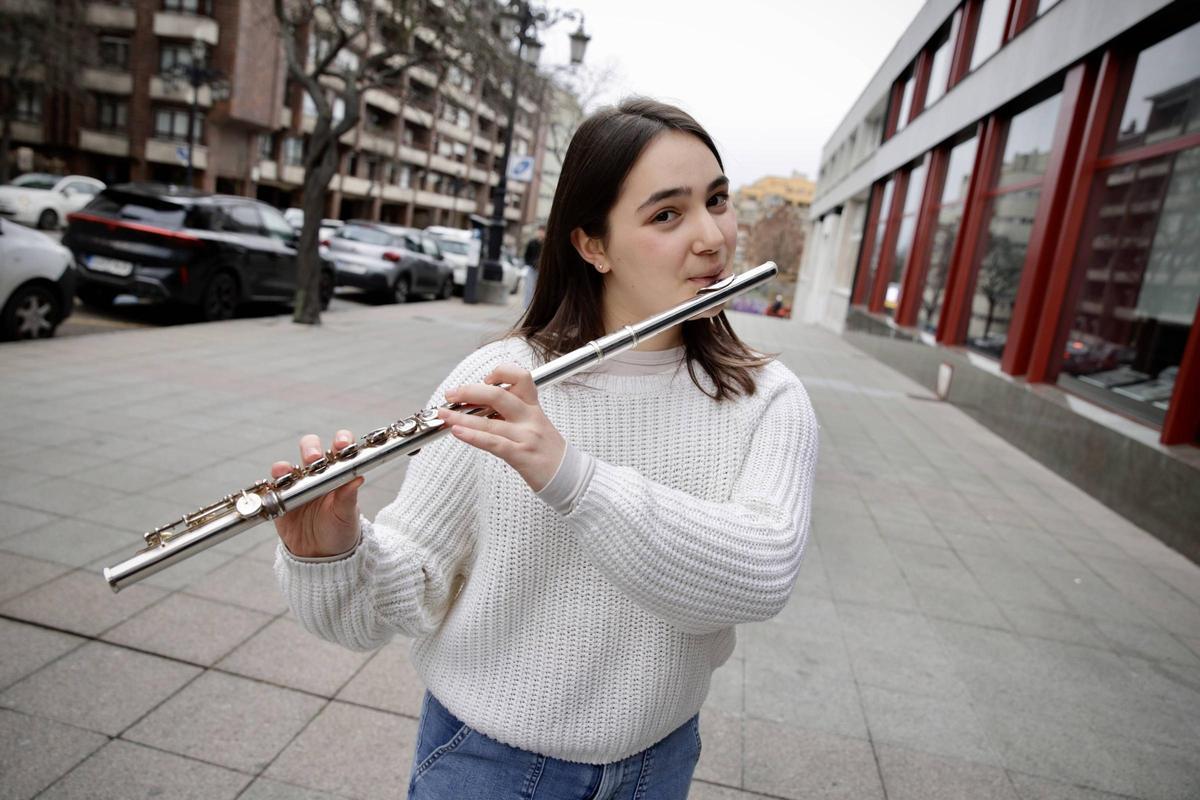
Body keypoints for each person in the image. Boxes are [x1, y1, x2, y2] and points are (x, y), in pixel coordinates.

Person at [271, 97, 819, 799]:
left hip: (658, 764)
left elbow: (760, 574)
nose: (712, 237)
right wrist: (333, 555)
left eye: (717, 201)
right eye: (667, 215)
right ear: (592, 245)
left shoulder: (767, 399)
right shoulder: (498, 379)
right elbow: (407, 593)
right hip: (486, 766)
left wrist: (573, 479)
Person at [522, 224, 545, 308]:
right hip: (532, 268)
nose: (540, 233)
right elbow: (526, 256)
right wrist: (531, 263)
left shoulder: (546, 244)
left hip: (542, 270)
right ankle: (527, 307)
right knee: (529, 288)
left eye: (542, 231)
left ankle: (538, 307)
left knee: (540, 289)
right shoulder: (532, 243)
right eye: (539, 231)